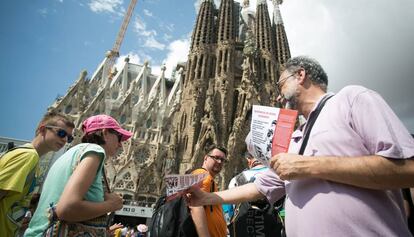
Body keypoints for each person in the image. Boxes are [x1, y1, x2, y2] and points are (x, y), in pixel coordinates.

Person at [186, 56, 414, 236]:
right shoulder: (296, 138)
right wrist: (206, 199)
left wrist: (309, 167)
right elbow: (260, 187)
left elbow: (408, 169)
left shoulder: (351, 99)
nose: (276, 96)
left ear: (301, 75)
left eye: (280, 85)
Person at [24, 114, 132, 236]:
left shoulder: (72, 153)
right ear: (105, 132)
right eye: (119, 137)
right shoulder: (96, 151)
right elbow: (66, 209)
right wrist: (110, 205)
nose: (120, 144)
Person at [0, 111, 74, 237]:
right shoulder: (28, 156)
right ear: (43, 129)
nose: (65, 140)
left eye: (69, 137)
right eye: (61, 133)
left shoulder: (35, 162)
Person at [190, 144, 228, 237]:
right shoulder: (203, 175)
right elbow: (195, 206)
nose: (219, 162)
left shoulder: (208, 178)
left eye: (223, 160)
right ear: (206, 158)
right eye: (216, 157)